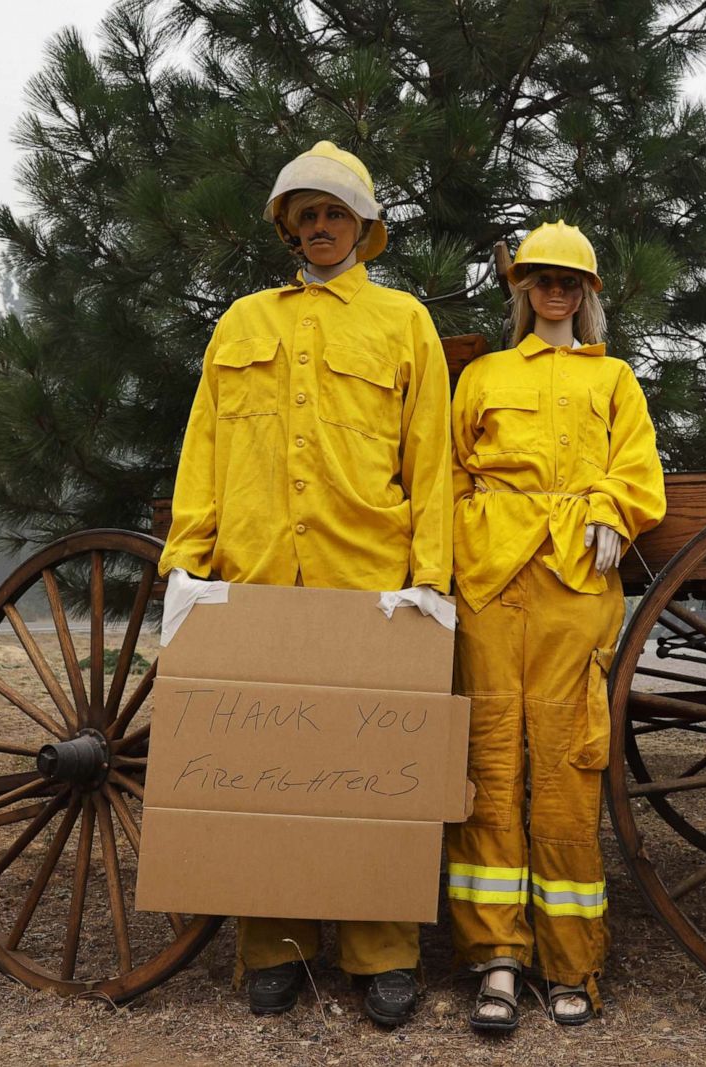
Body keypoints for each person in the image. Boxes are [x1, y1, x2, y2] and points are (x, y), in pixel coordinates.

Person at [158, 141, 453, 1028]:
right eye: (307, 216)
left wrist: (431, 575)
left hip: (369, 577)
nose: (321, 228)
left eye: (336, 214)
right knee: (267, 769)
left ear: (365, 229)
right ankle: (274, 947)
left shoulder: (404, 324)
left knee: (370, 770)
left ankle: (383, 955)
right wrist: (187, 557)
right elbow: (203, 445)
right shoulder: (242, 323)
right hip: (255, 572)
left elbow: (431, 460)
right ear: (291, 229)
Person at [445, 221, 666, 1031]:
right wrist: (446, 559)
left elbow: (638, 467)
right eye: (541, 277)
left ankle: (572, 960)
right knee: (488, 757)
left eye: (569, 281)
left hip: (578, 578)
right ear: (522, 287)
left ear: (589, 293)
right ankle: (495, 957)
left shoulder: (614, 380)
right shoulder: (483, 376)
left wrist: (613, 507)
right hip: (490, 576)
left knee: (572, 757)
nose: (555, 290)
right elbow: (450, 470)